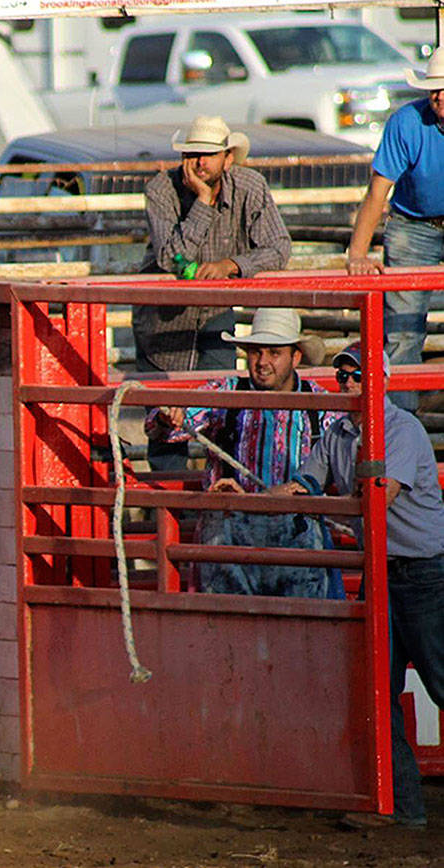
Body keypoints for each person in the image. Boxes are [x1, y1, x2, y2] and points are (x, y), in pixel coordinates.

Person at [272, 342, 444, 827]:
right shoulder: (341, 432)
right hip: (388, 570)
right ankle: (400, 808)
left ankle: (402, 807)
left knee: (436, 681)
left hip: (423, 571)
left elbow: (378, 499)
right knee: (378, 690)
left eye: (355, 375)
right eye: (342, 375)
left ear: (379, 381)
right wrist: (258, 496)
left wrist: (313, 502)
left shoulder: (401, 430)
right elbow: (305, 482)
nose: (347, 383)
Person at [146, 308, 342, 597]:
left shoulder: (320, 406)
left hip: (295, 528)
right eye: (255, 352)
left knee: (298, 623)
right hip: (230, 526)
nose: (263, 362)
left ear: (295, 357)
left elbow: (349, 458)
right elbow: (165, 426)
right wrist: (167, 417)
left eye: (274, 353)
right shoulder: (226, 392)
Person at [136, 115, 292, 471]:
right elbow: (169, 258)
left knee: (221, 416)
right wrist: (203, 202)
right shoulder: (161, 189)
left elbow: (279, 247)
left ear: (228, 158)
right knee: (165, 425)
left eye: (208, 154)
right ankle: (170, 516)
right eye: (192, 154)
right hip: (163, 321)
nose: (199, 162)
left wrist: (232, 265)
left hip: (213, 311)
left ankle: (218, 502)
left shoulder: (249, 187)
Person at [345, 52, 444, 411]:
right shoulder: (406, 122)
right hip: (411, 223)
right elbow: (378, 190)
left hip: (415, 222)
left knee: (402, 326)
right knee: (402, 330)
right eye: (434, 89)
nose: (440, 96)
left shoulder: (410, 121)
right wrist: (357, 254)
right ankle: (401, 427)